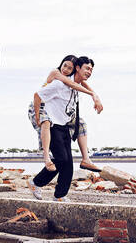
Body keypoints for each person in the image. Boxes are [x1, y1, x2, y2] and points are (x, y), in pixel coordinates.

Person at [29, 55, 102, 172]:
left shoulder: (69, 78)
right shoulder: (57, 74)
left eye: (69, 68)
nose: (66, 70)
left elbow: (81, 83)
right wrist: (93, 95)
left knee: (81, 123)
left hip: (57, 110)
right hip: (40, 104)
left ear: (74, 69)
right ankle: (47, 158)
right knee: (46, 123)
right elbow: (73, 84)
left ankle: (86, 159)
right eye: (65, 66)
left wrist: (95, 95)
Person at [29, 70, 77, 201]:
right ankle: (36, 182)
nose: (89, 72)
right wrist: (38, 117)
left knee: (68, 163)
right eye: (87, 69)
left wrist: (94, 95)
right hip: (53, 124)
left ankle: (60, 195)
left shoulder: (74, 87)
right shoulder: (58, 84)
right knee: (61, 159)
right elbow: (37, 96)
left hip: (64, 123)